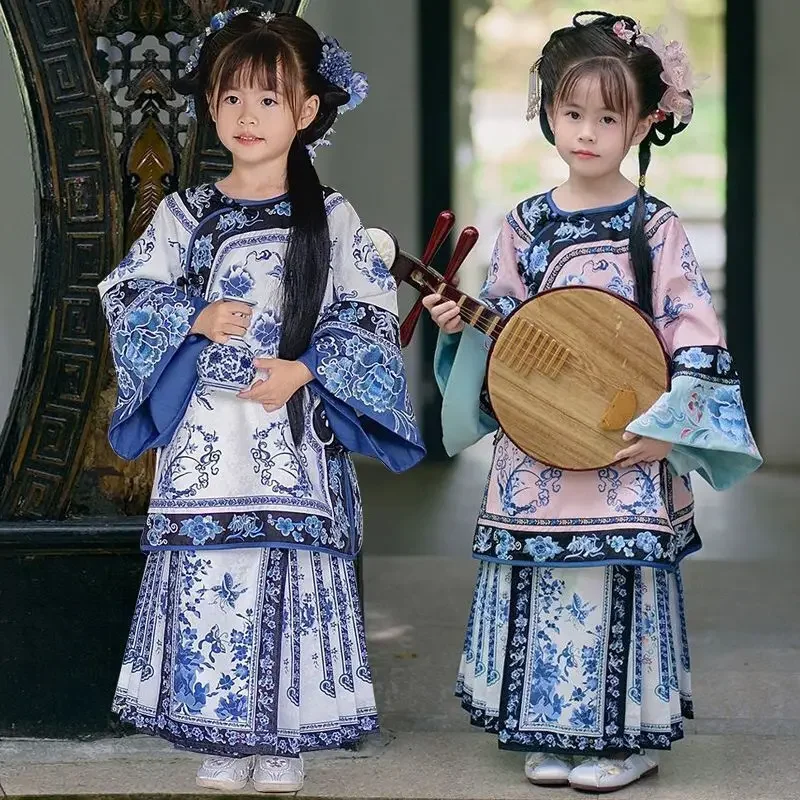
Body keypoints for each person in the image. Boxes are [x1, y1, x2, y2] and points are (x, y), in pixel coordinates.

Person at [424, 10, 761, 794]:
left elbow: (696, 338)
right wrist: (458, 326)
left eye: (608, 117)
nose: (586, 132)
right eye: (570, 112)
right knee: (544, 583)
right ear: (547, 111)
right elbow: (504, 331)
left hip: (625, 450)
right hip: (541, 449)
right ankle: (551, 731)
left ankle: (623, 740)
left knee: (616, 586)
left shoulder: (657, 229)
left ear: (645, 121)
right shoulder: (526, 225)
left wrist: (669, 429)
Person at [98, 7, 424, 793]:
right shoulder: (185, 215)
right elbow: (128, 294)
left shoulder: (332, 218)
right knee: (214, 575)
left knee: (286, 572)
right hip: (208, 445)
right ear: (210, 107)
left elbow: (371, 314)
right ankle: (219, 732)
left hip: (288, 441)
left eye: (270, 99)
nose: (248, 116)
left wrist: (305, 369)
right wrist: (194, 316)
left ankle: (282, 740)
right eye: (232, 98)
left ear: (307, 112)